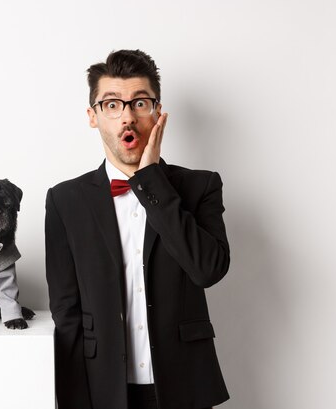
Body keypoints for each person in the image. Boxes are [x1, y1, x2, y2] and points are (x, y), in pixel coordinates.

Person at [45, 49, 230, 409]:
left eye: (140, 103)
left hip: (185, 387)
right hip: (102, 390)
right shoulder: (65, 200)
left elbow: (208, 270)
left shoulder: (200, 187)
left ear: (157, 112)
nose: (127, 117)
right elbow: (66, 312)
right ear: (93, 116)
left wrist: (151, 181)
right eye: (112, 104)